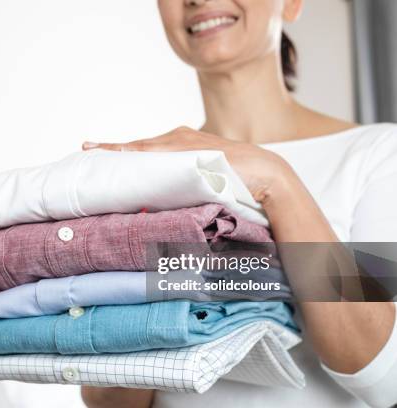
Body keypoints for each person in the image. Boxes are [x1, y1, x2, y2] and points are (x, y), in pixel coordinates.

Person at [80, 0, 397, 407]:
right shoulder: (149, 178)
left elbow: (383, 376)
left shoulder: (376, 155)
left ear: (293, 4)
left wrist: (276, 182)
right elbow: (112, 401)